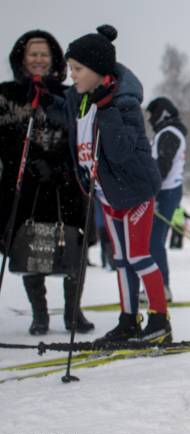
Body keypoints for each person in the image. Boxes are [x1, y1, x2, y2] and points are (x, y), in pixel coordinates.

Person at [42, 25, 171, 343]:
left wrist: (107, 108)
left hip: (136, 191)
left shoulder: (124, 103)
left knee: (139, 257)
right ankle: (128, 320)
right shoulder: (78, 98)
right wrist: (44, 96)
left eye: (78, 69)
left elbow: (122, 150)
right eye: (70, 68)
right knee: (122, 260)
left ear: (98, 71)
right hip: (107, 192)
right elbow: (64, 112)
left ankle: (160, 321)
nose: (72, 75)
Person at [0, 29, 93, 335]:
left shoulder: (71, 94)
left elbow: (81, 135)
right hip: (25, 187)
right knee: (31, 246)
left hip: (65, 183)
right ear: (22, 58)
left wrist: (59, 163)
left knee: (74, 246)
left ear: (53, 59)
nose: (39, 59)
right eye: (33, 53)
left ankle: (72, 312)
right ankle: (39, 314)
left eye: (44, 54)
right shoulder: (6, 95)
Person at [146, 96, 188, 301]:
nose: (149, 120)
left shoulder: (169, 133)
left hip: (165, 192)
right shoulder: (167, 131)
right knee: (152, 241)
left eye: (151, 115)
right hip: (165, 191)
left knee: (154, 241)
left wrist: (150, 194)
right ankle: (156, 286)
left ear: (161, 114)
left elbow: (162, 166)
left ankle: (162, 287)